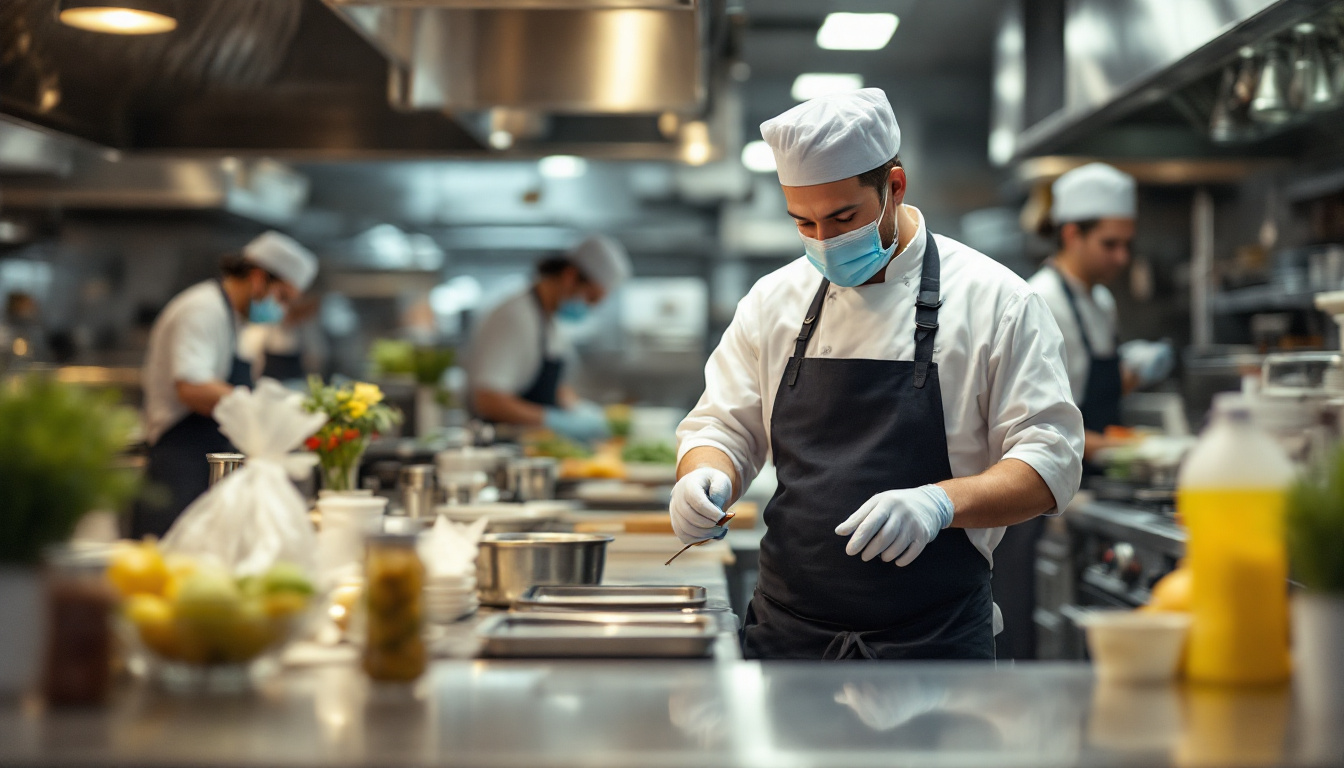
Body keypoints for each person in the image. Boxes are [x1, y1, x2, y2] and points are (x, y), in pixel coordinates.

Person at [670, 89, 1084, 660]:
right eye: (804, 223)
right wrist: (704, 477)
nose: (825, 241)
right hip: (787, 639)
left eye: (843, 218)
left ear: (894, 186)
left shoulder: (998, 301)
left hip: (936, 646)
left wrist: (940, 504)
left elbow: (1050, 463)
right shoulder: (773, 300)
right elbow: (721, 429)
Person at [134, 231, 318, 538]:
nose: (283, 309)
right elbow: (192, 388)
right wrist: (262, 413)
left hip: (205, 469)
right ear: (258, 278)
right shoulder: (202, 310)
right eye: (283, 297)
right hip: (177, 472)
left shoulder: (234, 320)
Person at [1027, 162, 1173, 459]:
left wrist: (1133, 372)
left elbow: (1096, 391)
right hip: (1063, 483)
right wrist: (1132, 448)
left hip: (1101, 472)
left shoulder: (1102, 300)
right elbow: (1039, 428)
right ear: (1071, 236)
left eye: (1127, 244)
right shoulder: (1040, 300)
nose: (1122, 257)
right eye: (1109, 244)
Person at [466, 235, 631, 443]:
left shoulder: (549, 321)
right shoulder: (515, 316)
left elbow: (552, 387)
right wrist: (554, 421)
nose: (588, 308)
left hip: (530, 448)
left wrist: (579, 411)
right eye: (590, 298)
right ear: (570, 276)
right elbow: (487, 399)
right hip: (500, 449)